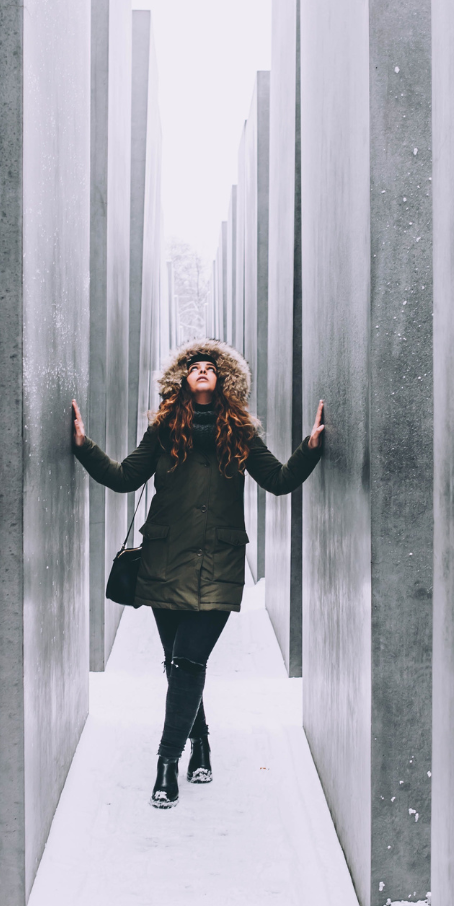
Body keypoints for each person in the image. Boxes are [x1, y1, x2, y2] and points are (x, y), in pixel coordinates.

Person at [71, 338, 325, 809]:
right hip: (164, 562)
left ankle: (167, 763)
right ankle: (201, 742)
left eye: (211, 366)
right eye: (195, 366)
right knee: (179, 665)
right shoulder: (165, 430)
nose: (203, 370)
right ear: (182, 380)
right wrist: (85, 447)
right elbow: (125, 477)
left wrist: (309, 447)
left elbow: (280, 481)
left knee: (188, 661)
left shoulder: (241, 432)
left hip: (221, 564)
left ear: (223, 379)